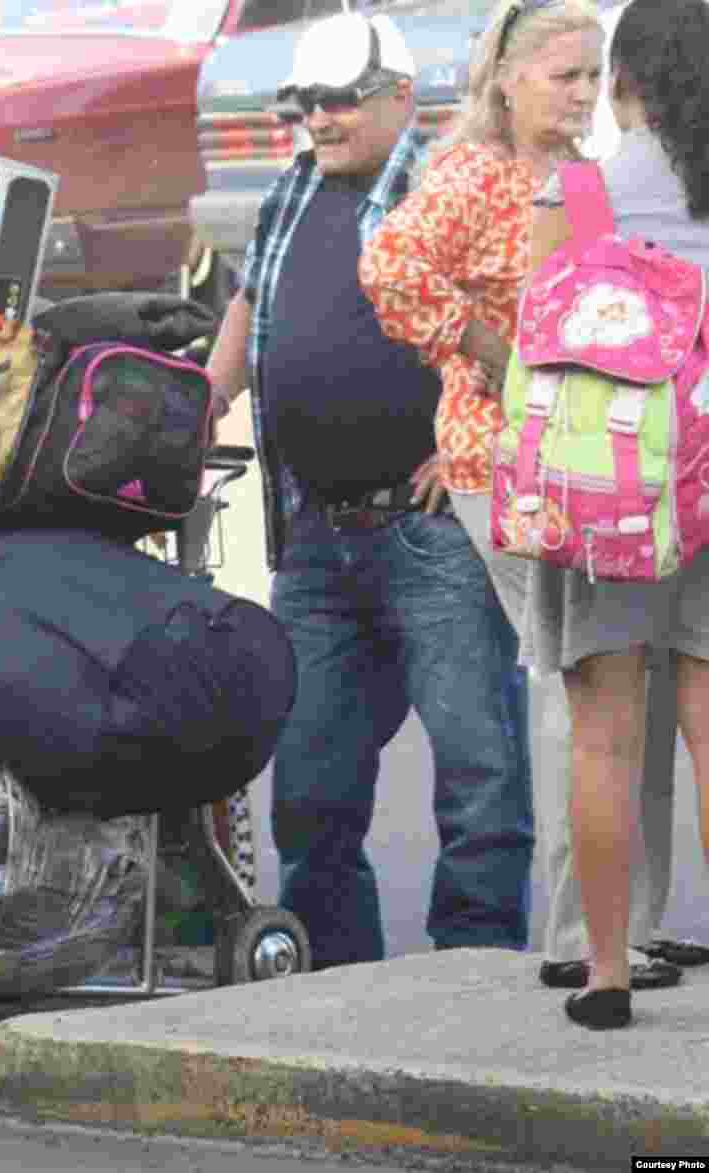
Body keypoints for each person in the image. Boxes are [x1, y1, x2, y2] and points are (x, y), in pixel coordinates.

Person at [358, 0, 685, 995]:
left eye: (593, 76)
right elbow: (389, 266)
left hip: (595, 463)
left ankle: (634, 925)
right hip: (506, 464)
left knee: (636, 683)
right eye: (563, 77)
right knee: (579, 687)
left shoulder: (579, 173)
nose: (583, 95)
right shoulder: (471, 174)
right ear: (505, 78)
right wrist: (490, 354)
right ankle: (577, 937)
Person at [205, 10, 534, 971]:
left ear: (402, 97)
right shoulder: (293, 190)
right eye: (309, 102)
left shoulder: (451, 189)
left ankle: (473, 972)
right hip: (317, 537)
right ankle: (337, 989)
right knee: (309, 787)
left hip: (431, 534)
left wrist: (470, 441)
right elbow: (249, 302)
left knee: (479, 775)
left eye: (344, 100)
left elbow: (520, 324)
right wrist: (202, 402)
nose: (324, 119)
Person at [518, 0, 709, 1028]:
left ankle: (604, 975)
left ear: (623, 77)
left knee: (601, 738)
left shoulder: (580, 191)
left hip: (608, 498)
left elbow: (534, 339)